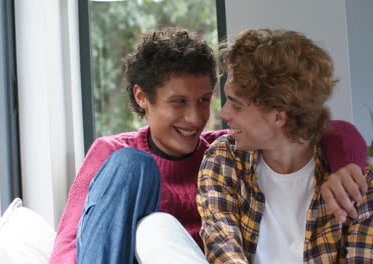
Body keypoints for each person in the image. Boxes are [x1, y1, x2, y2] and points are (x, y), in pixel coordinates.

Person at [49, 27, 368, 264]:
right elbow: (69, 242)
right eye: (178, 102)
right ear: (141, 97)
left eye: (204, 100)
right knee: (136, 177)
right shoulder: (113, 152)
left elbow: (331, 130)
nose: (195, 116)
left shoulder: (224, 151)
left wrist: (347, 166)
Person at [196, 29, 372, 263]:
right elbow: (222, 247)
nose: (224, 113)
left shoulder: (354, 182)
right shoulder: (224, 159)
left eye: (236, 105)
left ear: (278, 116)